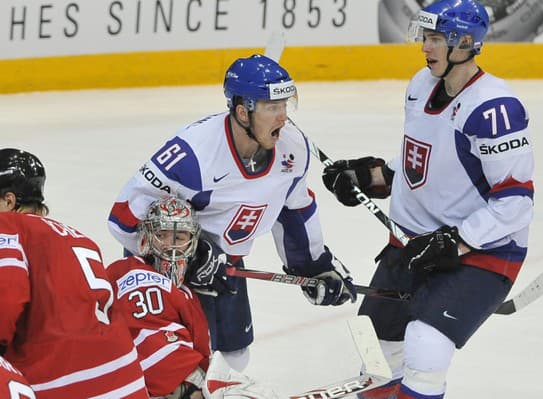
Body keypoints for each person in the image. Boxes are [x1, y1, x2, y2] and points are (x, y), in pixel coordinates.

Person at [322, 1, 534, 398]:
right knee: (377, 357)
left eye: (436, 39)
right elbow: (421, 162)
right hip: (413, 245)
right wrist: (371, 177)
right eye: (425, 37)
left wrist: (456, 241)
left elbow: (516, 202)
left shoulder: (493, 109)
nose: (425, 47)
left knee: (426, 346)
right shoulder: (421, 85)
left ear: (466, 43)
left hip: (481, 253)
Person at [107, 53, 357, 372]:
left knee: (236, 354)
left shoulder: (293, 148)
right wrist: (181, 258)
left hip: (228, 265)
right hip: (171, 273)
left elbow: (295, 211)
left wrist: (315, 267)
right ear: (242, 112)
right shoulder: (194, 154)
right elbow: (123, 217)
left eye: (284, 106)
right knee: (177, 365)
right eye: (272, 108)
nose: (283, 118)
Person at [0, 148, 150, 398]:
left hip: (66, 383)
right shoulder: (81, 238)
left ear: (9, 201)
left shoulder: (8, 227)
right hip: (127, 379)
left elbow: (6, 296)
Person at [107, 196, 280, 399]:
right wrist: (196, 385)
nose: (171, 246)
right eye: (163, 235)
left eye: (179, 237)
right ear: (146, 239)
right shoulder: (135, 275)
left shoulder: (185, 293)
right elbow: (155, 351)